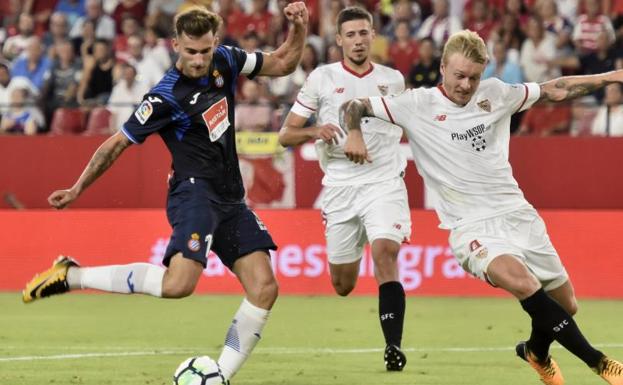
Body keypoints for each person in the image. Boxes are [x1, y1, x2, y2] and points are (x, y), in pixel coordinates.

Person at [22, 4, 308, 383]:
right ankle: (72, 276)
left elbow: (284, 62)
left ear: (215, 43)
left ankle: (219, 376)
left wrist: (299, 27)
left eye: (205, 50)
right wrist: (78, 187)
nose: (199, 59)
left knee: (265, 288)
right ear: (175, 45)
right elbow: (115, 144)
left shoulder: (226, 60)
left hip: (231, 198)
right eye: (191, 51)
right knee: (178, 285)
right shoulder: (164, 97)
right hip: (194, 194)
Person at [340, 29, 623, 385]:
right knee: (523, 283)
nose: (465, 85)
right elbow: (354, 106)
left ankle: (536, 352)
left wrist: (610, 77)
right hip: (471, 226)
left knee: (566, 305)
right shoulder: (416, 104)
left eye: (473, 77)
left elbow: (555, 89)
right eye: (458, 75)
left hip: (517, 214)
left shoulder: (497, 94)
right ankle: (601, 364)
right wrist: (353, 132)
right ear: (442, 67)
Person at [278, 6, 411, 372]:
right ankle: (352, 276)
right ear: (339, 40)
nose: (357, 40)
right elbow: (285, 134)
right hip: (339, 188)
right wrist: (314, 131)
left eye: (363, 33)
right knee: (343, 284)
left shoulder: (393, 80)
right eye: (350, 35)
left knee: (385, 251)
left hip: (384, 181)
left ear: (373, 36)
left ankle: (394, 347)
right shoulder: (321, 79)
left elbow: (412, 123)